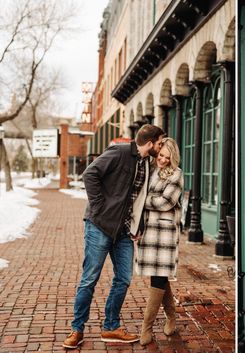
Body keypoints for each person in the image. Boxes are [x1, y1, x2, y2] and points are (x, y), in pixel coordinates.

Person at [62, 124, 166, 349]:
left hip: (124, 232)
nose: (161, 146)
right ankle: (77, 329)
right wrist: (99, 207)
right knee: (89, 279)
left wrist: (138, 225)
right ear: (150, 142)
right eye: (160, 142)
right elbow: (90, 174)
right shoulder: (119, 152)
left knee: (124, 279)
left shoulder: (146, 163)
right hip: (99, 226)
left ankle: (110, 327)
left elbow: (137, 198)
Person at [135, 137, 184, 346]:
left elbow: (166, 202)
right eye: (161, 155)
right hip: (149, 230)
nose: (163, 160)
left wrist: (142, 199)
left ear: (173, 158)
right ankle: (172, 317)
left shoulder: (177, 174)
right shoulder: (150, 169)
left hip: (165, 232)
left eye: (167, 157)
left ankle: (146, 328)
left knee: (158, 277)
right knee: (159, 276)